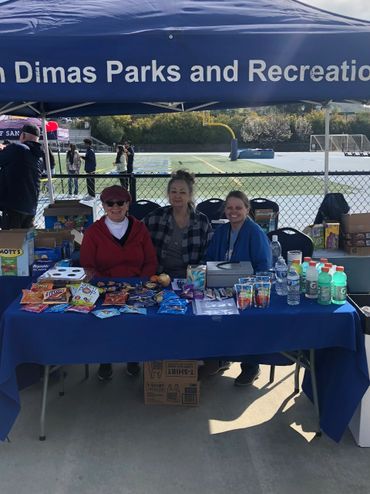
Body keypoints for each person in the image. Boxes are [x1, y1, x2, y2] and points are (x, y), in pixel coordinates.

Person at [80, 185, 158, 381]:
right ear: (104, 206)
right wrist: (108, 287)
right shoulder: (93, 232)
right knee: (105, 323)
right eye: (110, 203)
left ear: (128, 204)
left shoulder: (139, 228)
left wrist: (140, 284)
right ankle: (105, 361)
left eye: (120, 202)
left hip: (136, 287)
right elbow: (88, 266)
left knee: (136, 323)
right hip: (105, 288)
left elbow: (150, 260)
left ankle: (133, 358)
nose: (115, 207)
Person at [206, 190, 272, 386]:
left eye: (238, 208)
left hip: (247, 290)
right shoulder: (221, 231)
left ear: (247, 209)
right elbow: (210, 259)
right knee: (213, 317)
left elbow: (264, 266)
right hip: (222, 287)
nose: (233, 212)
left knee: (246, 321)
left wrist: (248, 287)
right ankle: (222, 358)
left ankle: (251, 366)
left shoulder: (255, 233)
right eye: (229, 208)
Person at [143, 169, 212, 279]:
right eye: (173, 191)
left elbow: (207, 255)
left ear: (190, 195)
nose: (177, 196)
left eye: (182, 192)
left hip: (191, 280)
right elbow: (137, 239)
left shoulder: (202, 222)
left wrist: (195, 281)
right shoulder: (154, 217)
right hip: (158, 278)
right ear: (168, 194)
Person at [0, 124, 43, 229]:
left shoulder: (17, 149)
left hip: (14, 205)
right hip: (31, 206)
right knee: (25, 242)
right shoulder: (38, 157)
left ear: (23, 135)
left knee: (11, 241)